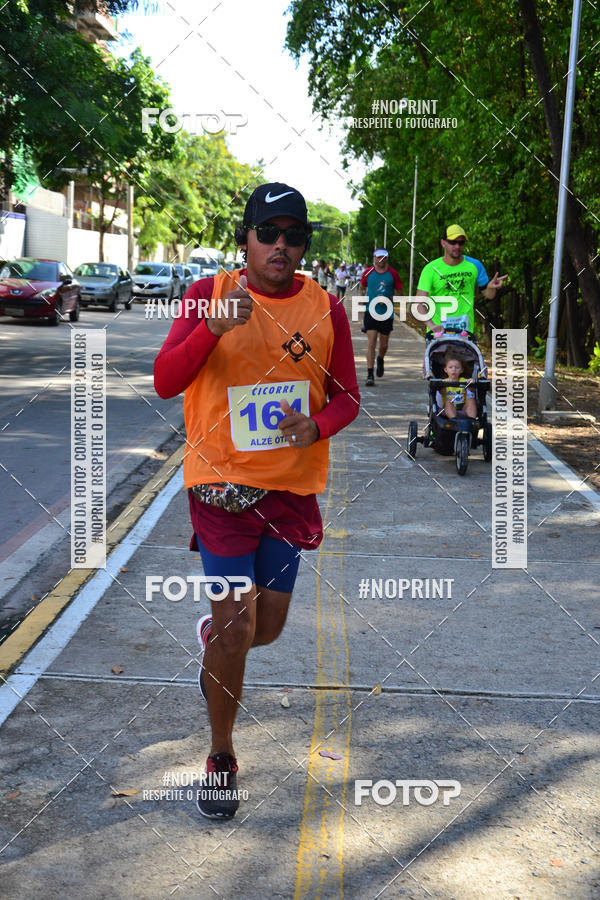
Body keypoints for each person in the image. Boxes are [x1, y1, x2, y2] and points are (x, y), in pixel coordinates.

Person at [154, 182, 359, 821]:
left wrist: (316, 426)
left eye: (293, 235)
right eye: (268, 232)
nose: (281, 245)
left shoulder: (327, 308)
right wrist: (210, 332)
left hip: (290, 491)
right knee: (237, 628)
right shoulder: (205, 296)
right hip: (220, 488)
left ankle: (216, 639)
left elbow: (348, 395)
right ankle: (220, 757)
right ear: (244, 238)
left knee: (263, 629)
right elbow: (165, 381)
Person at [416, 224, 507, 336]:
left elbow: (489, 295)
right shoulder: (431, 269)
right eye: (453, 242)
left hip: (465, 333)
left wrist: (491, 288)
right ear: (443, 243)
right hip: (438, 334)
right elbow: (419, 303)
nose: (457, 246)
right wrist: (431, 325)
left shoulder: (475, 265)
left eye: (461, 243)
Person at [360, 249, 404, 386]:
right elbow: (362, 287)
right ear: (374, 257)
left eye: (384, 258)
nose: (381, 260)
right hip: (371, 311)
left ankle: (380, 358)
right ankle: (370, 374)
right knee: (371, 342)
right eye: (379, 257)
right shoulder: (368, 272)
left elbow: (400, 294)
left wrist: (389, 299)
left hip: (387, 313)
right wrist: (362, 299)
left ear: (387, 259)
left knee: (383, 345)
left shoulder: (393, 274)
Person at [436, 351, 477, 418]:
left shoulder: (464, 380)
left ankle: (472, 420)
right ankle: (454, 420)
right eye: (450, 367)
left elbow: (471, 389)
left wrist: (471, 382)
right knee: (448, 402)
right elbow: (441, 392)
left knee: (471, 400)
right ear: (446, 370)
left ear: (461, 370)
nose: (453, 370)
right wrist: (443, 385)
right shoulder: (443, 382)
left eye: (457, 368)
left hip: (463, 407)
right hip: (448, 408)